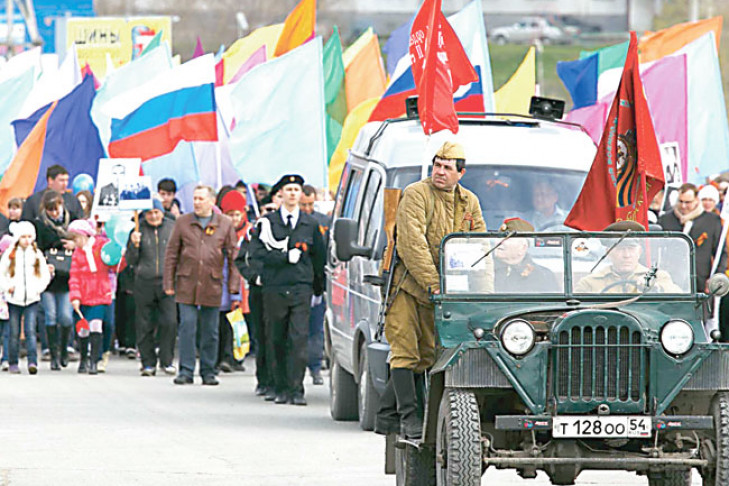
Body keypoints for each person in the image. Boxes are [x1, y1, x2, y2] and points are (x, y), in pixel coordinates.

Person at [376, 142, 489, 440]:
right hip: (406, 286)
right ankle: (409, 417)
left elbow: (480, 247)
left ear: (460, 173)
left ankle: (386, 415)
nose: (440, 171)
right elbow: (412, 245)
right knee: (405, 352)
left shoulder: (469, 201)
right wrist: (435, 283)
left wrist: (484, 295)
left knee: (428, 355)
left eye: (447, 167)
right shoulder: (416, 193)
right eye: (437, 165)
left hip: (443, 293)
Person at [248, 174, 325, 406]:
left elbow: (318, 257)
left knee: (298, 339)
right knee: (276, 338)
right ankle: (280, 387)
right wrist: (283, 257)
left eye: (296, 189)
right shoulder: (268, 223)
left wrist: (318, 288)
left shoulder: (309, 223)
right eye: (288, 189)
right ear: (280, 194)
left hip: (301, 287)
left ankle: (296, 389)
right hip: (275, 287)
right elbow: (256, 253)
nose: (292, 194)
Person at [163, 185, 240, 386]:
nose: (197, 202)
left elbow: (233, 256)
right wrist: (168, 282)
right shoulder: (183, 222)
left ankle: (208, 371)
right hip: (187, 282)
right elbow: (171, 254)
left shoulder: (224, 223)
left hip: (212, 283)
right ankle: (186, 370)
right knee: (187, 327)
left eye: (201, 199)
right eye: (195, 198)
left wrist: (234, 286)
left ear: (212, 202)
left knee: (210, 330)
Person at [68, 219, 125, 374]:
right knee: (83, 329)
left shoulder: (101, 246)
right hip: (83, 294)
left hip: (100, 292)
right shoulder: (78, 253)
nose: (75, 243)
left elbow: (114, 266)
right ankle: (83, 359)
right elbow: (74, 276)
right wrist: (75, 296)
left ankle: (94, 360)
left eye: (76, 238)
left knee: (96, 325)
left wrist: (119, 257)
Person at [127, 200, 177, 377]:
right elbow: (131, 260)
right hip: (144, 282)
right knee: (144, 323)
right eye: (149, 213)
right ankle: (147, 362)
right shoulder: (137, 230)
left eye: (157, 212)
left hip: (167, 281)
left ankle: (166, 360)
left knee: (170, 322)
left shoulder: (172, 228)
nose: (154, 216)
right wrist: (134, 245)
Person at [0, 221, 51, 374]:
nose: (27, 240)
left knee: (30, 331)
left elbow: (44, 275)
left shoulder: (36, 254)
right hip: (14, 298)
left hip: (31, 299)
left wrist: (38, 289)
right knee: (14, 332)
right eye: (23, 237)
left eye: (29, 237)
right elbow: (2, 274)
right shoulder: (10, 254)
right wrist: (7, 287)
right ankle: (13, 361)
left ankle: (32, 361)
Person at [575, 221, 681, 294]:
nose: (626, 255)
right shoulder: (590, 283)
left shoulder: (658, 278)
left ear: (639, 251)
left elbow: (680, 299)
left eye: (631, 249)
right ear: (608, 252)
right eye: (620, 249)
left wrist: (655, 288)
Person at [33, 190, 77, 369]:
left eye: (56, 208)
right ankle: (53, 355)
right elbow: (37, 248)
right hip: (49, 278)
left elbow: (84, 240)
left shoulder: (72, 221)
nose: (54, 213)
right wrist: (44, 261)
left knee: (66, 316)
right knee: (50, 315)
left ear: (62, 205)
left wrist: (74, 243)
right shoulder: (39, 224)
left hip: (67, 276)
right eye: (50, 209)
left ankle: (64, 349)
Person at [658, 183, 727, 293]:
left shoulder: (712, 221)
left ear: (696, 200)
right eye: (680, 201)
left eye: (688, 202)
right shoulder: (665, 219)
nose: (683, 206)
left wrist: (716, 277)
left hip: (700, 282)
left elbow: (721, 253)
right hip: (671, 280)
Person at [300, 184, 330, 385]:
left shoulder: (324, 222)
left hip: (317, 283)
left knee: (316, 329)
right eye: (304, 205)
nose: (308, 209)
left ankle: (316, 367)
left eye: (311, 204)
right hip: (298, 282)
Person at [217, 190, 249, 373]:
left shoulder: (249, 232)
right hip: (227, 283)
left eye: (237, 214)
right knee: (226, 321)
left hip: (245, 284)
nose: (234, 219)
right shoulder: (220, 232)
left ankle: (238, 356)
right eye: (230, 215)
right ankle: (225, 355)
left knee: (241, 321)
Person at [493, 218, 557, 293]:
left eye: (507, 238)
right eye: (499, 237)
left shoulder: (542, 276)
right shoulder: (485, 269)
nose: (499, 242)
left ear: (523, 248)